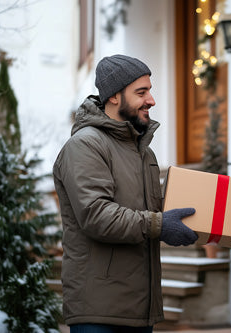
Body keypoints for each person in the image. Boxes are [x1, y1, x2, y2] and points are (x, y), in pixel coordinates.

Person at [53, 54, 198, 333]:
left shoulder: (143, 152)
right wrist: (159, 224)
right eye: (141, 92)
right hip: (99, 311)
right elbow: (97, 216)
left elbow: (150, 211)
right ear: (114, 97)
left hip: (138, 309)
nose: (151, 100)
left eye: (150, 91)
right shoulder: (85, 146)